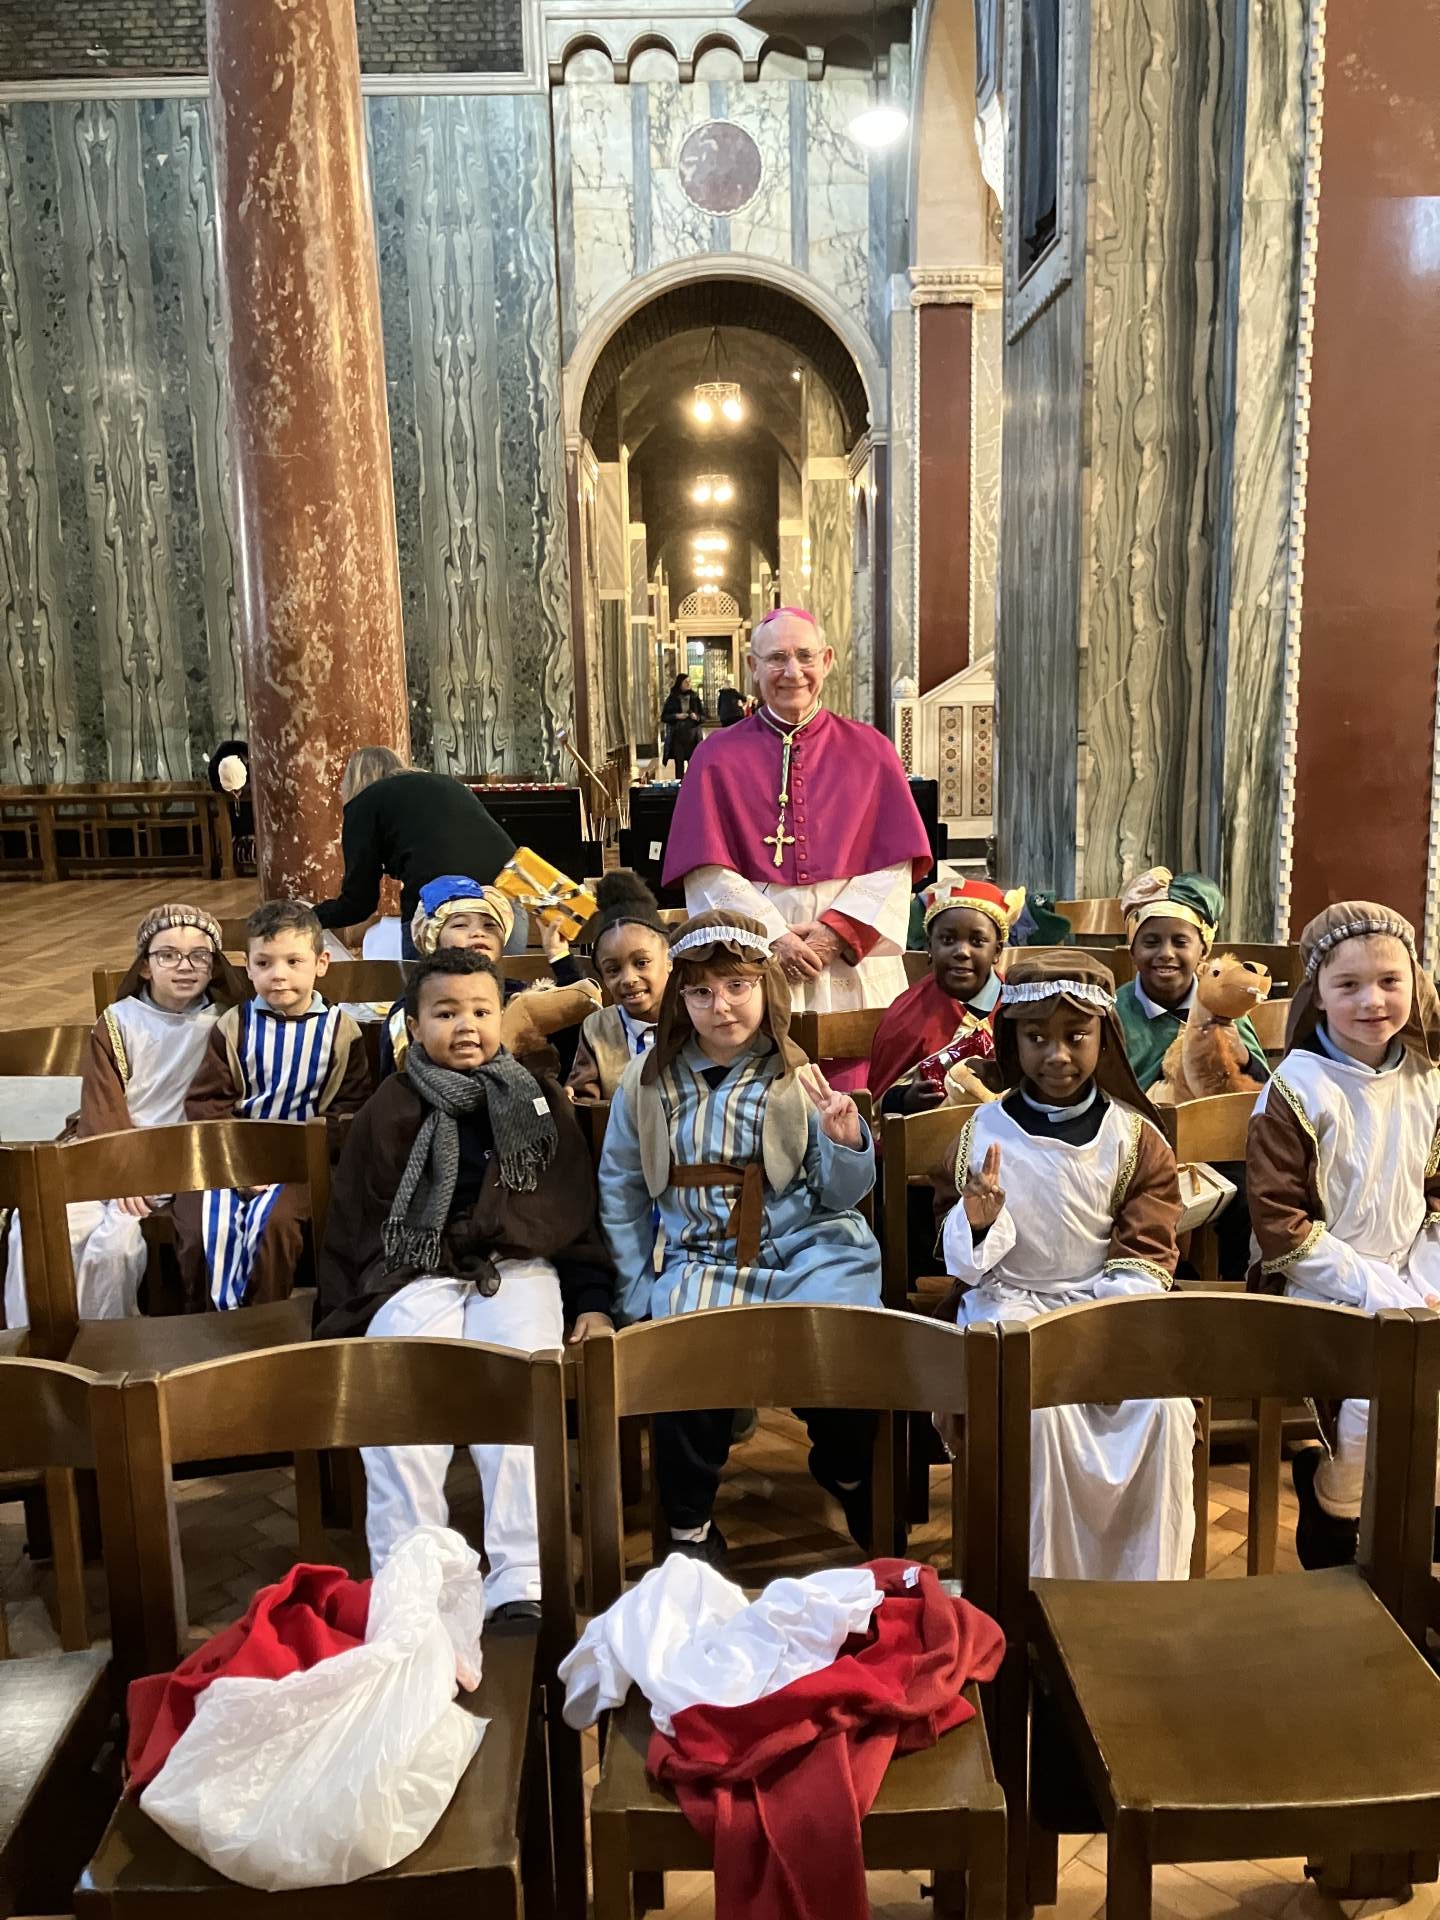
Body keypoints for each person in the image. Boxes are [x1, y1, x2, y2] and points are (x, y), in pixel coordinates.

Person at [316, 949, 614, 1622]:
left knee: (521, 1386)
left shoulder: (537, 1098)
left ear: (502, 1018)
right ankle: (414, 1581)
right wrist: (349, 1316)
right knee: (401, 1399)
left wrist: (593, 1302)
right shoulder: (390, 1106)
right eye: (446, 1013)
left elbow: (572, 1212)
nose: (466, 1026)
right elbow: (356, 1222)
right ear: (415, 1025)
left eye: (481, 1011)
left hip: (517, 1267)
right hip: (414, 1269)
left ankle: (523, 1578)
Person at [597, 911, 882, 1566]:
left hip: (807, 1244)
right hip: (703, 1255)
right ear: (681, 996)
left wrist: (844, 1144)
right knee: (684, 1365)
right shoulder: (646, 1084)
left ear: (765, 988)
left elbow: (838, 1195)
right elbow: (621, 1190)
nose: (720, 1006)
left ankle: (847, 1472)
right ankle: (690, 1526)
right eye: (701, 992)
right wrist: (635, 1289)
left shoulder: (797, 1074)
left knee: (844, 1350)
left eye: (736, 986)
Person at [936, 951, 1194, 1581]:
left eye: (1076, 1037)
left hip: (1108, 1306)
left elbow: (1148, 1243)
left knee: (1162, 1411)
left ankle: (1143, 1590)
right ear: (1012, 1041)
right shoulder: (981, 1131)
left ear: (1105, 1038)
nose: (1057, 1055)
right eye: (1037, 1038)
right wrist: (978, 1219)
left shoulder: (1135, 1137)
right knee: (1037, 1414)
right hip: (1010, 1303)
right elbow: (961, 1256)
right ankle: (1036, 1590)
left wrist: (1095, 1327)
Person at [1247, 901, 1440, 1570]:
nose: (1372, 1001)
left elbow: (1435, 1191)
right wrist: (1374, 1286)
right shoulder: (1296, 1089)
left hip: (1413, 1266)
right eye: (1349, 985)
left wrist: (1424, 1275)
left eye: (1389, 981)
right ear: (1319, 993)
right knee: (1371, 1397)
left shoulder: (1427, 1079)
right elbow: (1280, 1223)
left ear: (1414, 982)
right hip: (1318, 1275)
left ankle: (1416, 1532)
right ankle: (1335, 1510)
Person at [662, 608, 932, 1058]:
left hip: (852, 958)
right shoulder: (715, 756)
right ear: (753, 666)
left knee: (862, 1074)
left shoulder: (872, 750)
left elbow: (895, 864)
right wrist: (772, 937)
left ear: (826, 660)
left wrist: (836, 934)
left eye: (805, 656)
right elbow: (705, 869)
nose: (793, 672)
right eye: (776, 658)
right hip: (755, 955)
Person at [3, 905, 249, 1330]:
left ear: (214, 967)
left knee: (113, 1249)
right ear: (145, 967)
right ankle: (34, 1340)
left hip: (174, 1159)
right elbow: (103, 1104)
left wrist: (144, 1173)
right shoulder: (119, 1021)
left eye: (199, 956)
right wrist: (122, 1173)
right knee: (38, 1228)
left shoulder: (227, 1022)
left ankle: (103, 1346)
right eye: (168, 955)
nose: (185, 966)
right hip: (105, 1150)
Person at [176, 901, 372, 1311]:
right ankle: (207, 1323)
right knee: (198, 1229)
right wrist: (241, 1166)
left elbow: (349, 1111)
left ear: (321, 963)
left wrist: (296, 1158)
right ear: (248, 968)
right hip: (230, 1157)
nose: (278, 974)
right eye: (264, 963)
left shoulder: (341, 1032)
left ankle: (265, 1321)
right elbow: (207, 1103)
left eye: (293, 961)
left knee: (276, 1226)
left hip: (304, 1164)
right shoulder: (233, 1026)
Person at [312, 747, 515, 956]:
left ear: (352, 782)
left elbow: (358, 903)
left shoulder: (364, 803)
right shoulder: (447, 784)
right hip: (508, 899)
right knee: (510, 977)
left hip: (444, 909)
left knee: (426, 977)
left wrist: (310, 917)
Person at [379, 875, 584, 1076]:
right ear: (434, 939)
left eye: (490, 925)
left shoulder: (522, 995)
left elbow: (577, 1042)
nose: (478, 932)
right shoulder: (416, 1005)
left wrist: (559, 955)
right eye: (460, 925)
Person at [868, 879, 1025, 1110]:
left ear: (997, 951)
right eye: (948, 940)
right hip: (928, 1132)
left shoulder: (1019, 1009)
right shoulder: (905, 1016)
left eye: (977, 941)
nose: (962, 952)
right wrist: (905, 1099)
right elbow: (877, 1105)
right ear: (929, 947)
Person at [1114, 867, 1268, 1090]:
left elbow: (1266, 1090)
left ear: (1203, 950)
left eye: (1180, 942)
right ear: (1132, 950)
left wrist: (1243, 1055)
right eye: (1151, 942)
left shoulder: (1224, 1007)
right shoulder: (1115, 1012)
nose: (1166, 953)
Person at [566, 871, 672, 1099]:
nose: (629, 979)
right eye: (613, 970)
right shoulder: (598, 1028)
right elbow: (586, 1100)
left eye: (641, 963)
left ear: (669, 959)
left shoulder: (695, 1016)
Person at [661, 674, 706, 780]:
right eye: (686, 682)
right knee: (679, 765)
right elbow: (664, 717)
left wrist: (697, 717)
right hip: (678, 737)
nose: (688, 684)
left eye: (689, 682)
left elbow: (704, 716)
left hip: (693, 737)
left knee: (694, 765)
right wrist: (676, 716)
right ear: (680, 683)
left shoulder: (694, 697)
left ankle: (693, 785)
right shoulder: (672, 698)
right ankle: (680, 787)